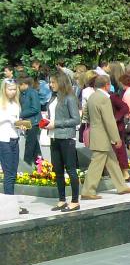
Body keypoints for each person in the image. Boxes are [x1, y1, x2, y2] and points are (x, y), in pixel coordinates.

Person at [81, 75, 130, 199]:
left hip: (97, 134)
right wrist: (116, 138)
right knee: (96, 164)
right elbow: (109, 120)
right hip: (102, 136)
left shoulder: (92, 97)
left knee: (112, 162)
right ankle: (88, 191)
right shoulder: (104, 98)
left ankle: (122, 186)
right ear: (107, 85)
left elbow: (85, 115)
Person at [44, 71, 81, 212]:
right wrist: (47, 122)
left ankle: (75, 201)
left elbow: (76, 119)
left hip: (66, 138)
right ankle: (61, 199)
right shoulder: (53, 97)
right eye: (50, 82)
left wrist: (56, 123)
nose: (51, 85)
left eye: (53, 82)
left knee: (70, 170)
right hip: (54, 136)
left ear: (61, 82)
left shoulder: (69, 98)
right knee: (58, 170)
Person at [0, 79, 29, 214]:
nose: (12, 92)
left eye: (14, 89)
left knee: (13, 173)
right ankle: (9, 205)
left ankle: (10, 202)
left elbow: (17, 121)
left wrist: (21, 126)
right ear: (4, 89)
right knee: (9, 174)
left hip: (14, 139)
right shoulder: (1, 103)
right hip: (3, 140)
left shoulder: (16, 104)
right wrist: (10, 119)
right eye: (9, 89)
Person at [18, 76, 42, 166]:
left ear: (25, 84)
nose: (18, 87)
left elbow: (35, 108)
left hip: (34, 122)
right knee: (35, 147)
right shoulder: (22, 94)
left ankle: (26, 166)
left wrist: (20, 114)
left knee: (29, 146)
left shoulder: (32, 93)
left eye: (19, 85)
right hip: (27, 122)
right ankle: (42, 166)